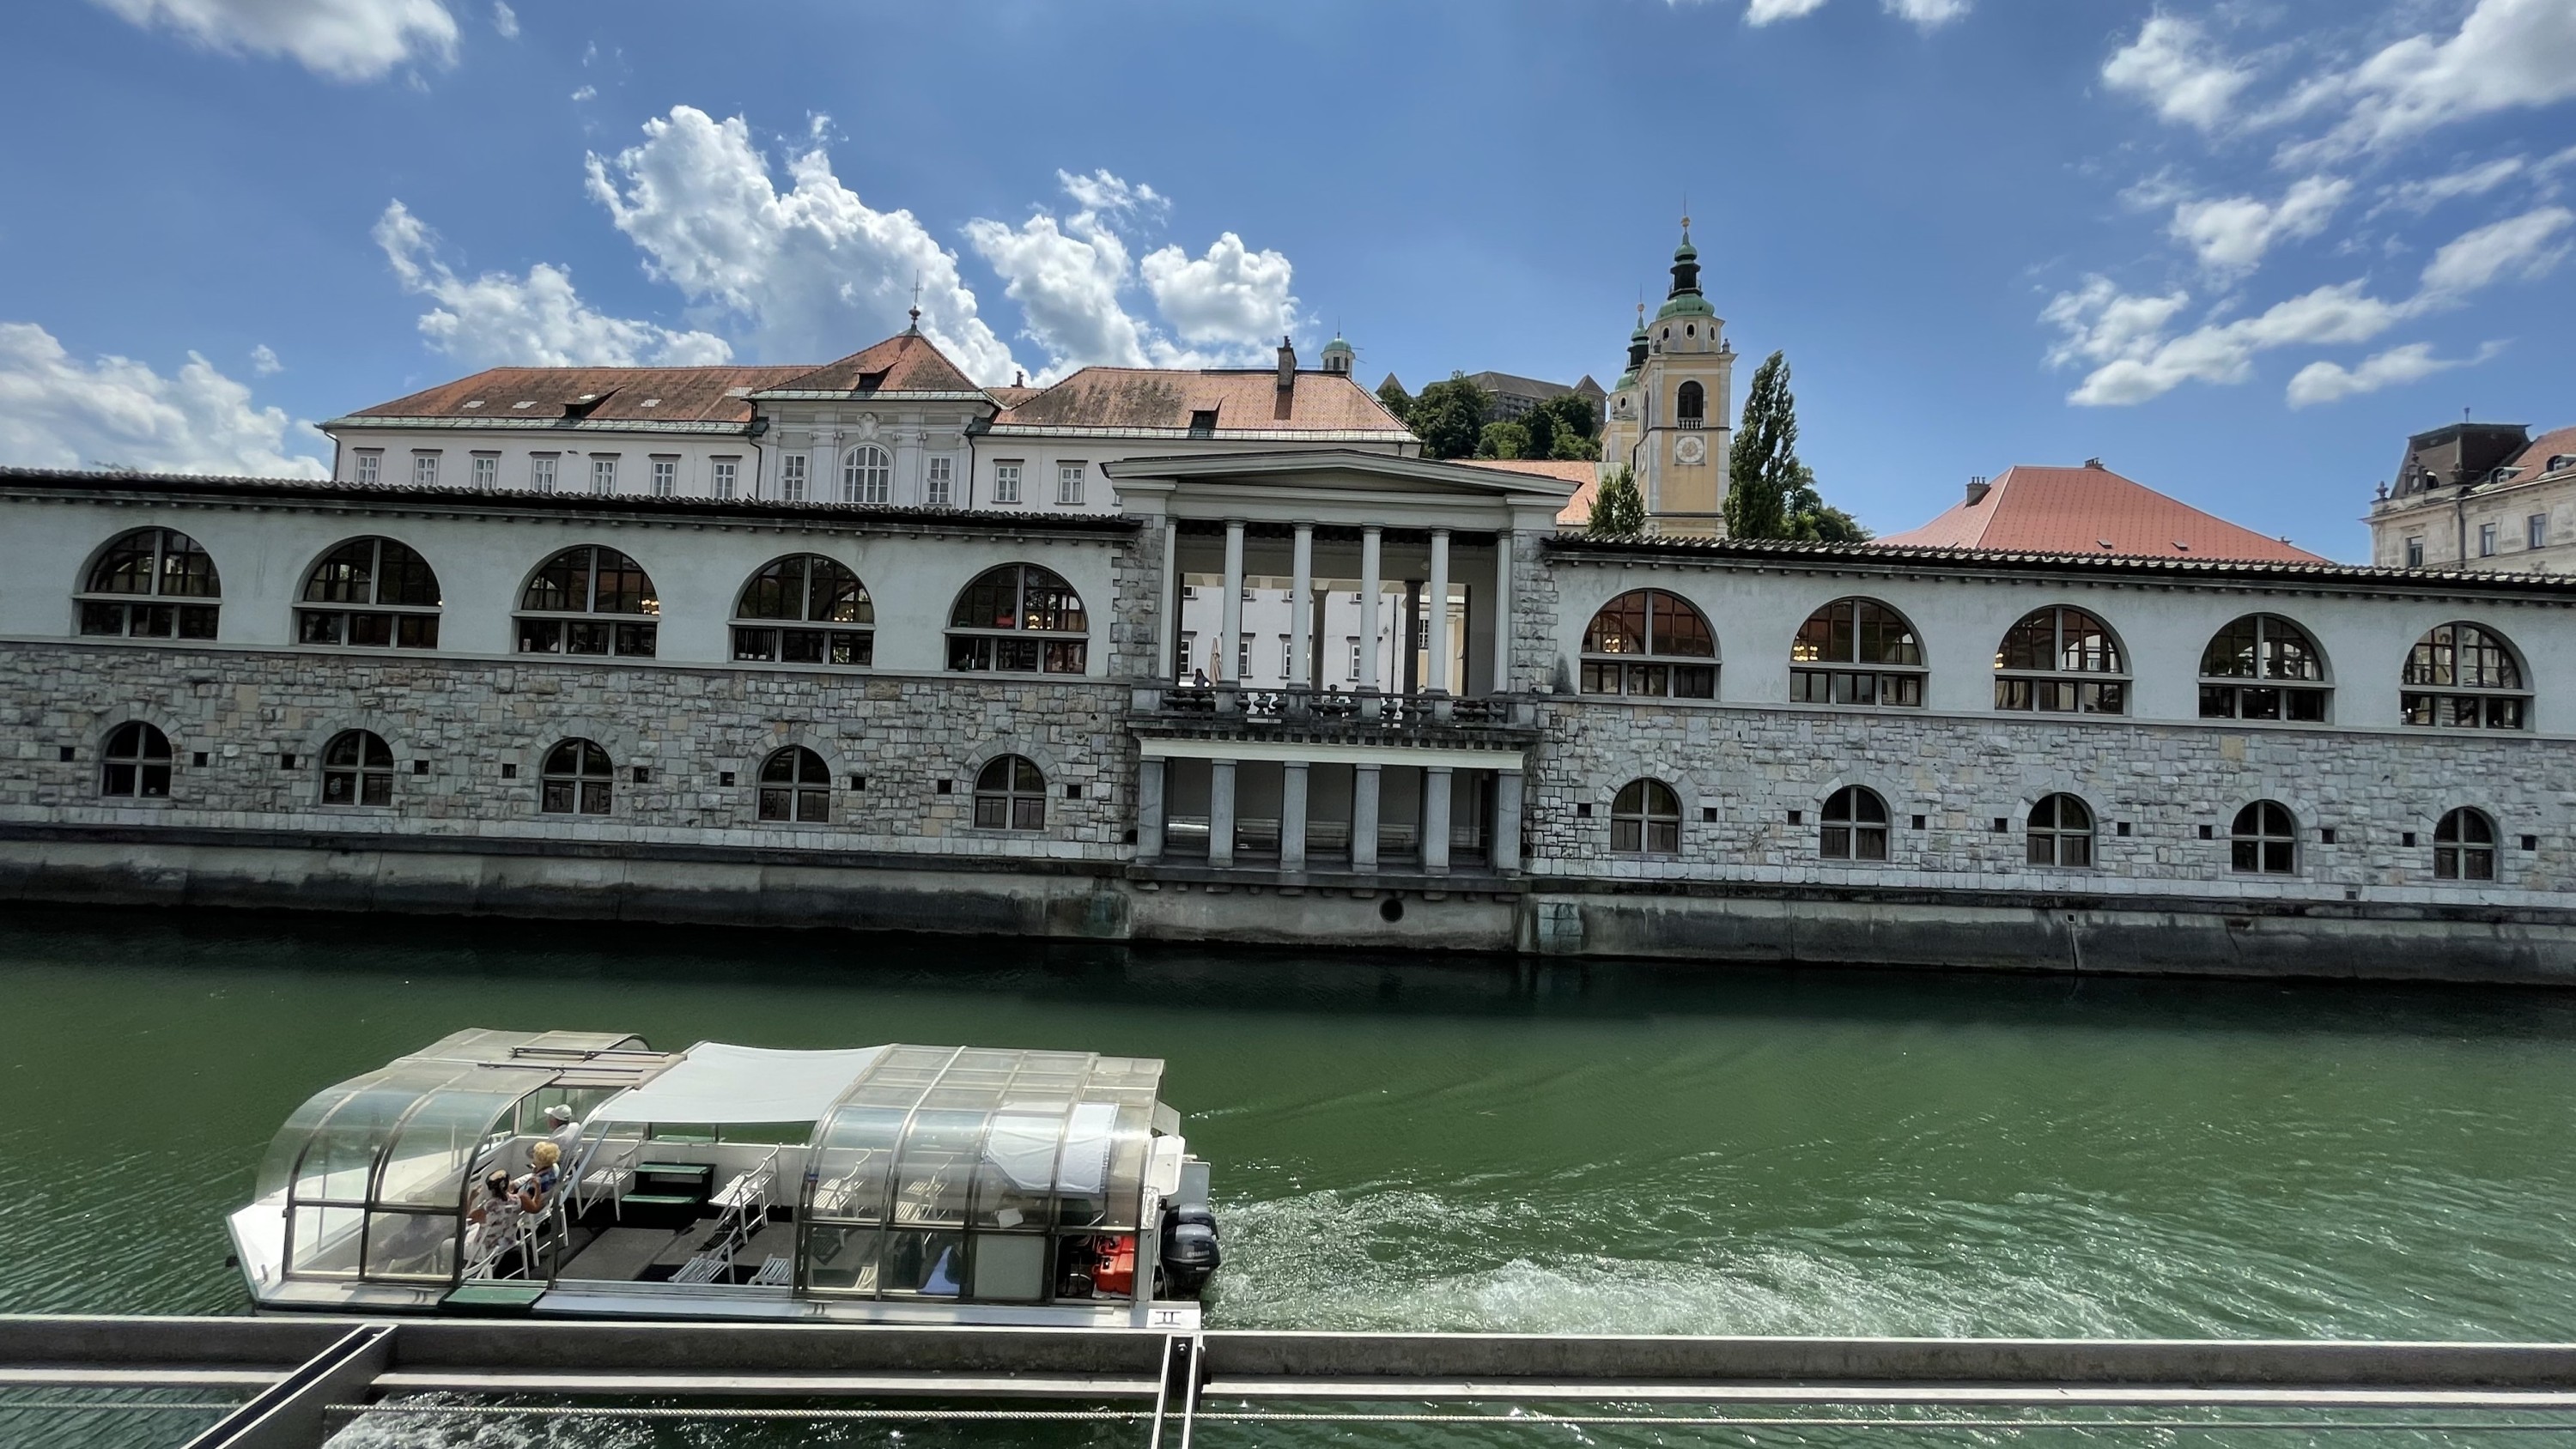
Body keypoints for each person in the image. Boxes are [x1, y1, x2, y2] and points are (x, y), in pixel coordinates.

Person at [465, 1168, 518, 1264]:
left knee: (447, 1244)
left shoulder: (487, 1210)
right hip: (508, 1241)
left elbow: (464, 1221)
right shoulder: (517, 1200)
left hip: (486, 1249)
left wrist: (471, 1199)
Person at [516, 1139, 562, 1215]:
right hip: (546, 1201)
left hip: (525, 1204)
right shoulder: (555, 1167)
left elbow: (526, 1198)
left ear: (539, 1159)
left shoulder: (540, 1182)